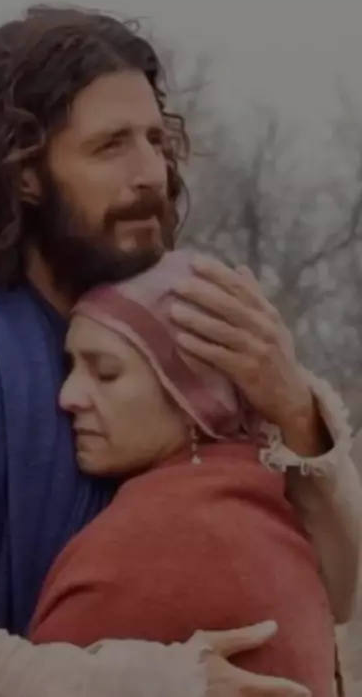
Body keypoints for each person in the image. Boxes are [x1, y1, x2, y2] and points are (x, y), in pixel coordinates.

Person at [0, 4, 359, 697]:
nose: (150, 174)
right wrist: (150, 682)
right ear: (25, 172)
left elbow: (336, 594)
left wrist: (295, 415)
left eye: (156, 141)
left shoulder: (182, 326)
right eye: (110, 147)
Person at [28, 248, 361, 697]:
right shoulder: (260, 498)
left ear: (193, 394)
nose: (68, 396)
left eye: (105, 373)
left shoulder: (151, 543)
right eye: (70, 367)